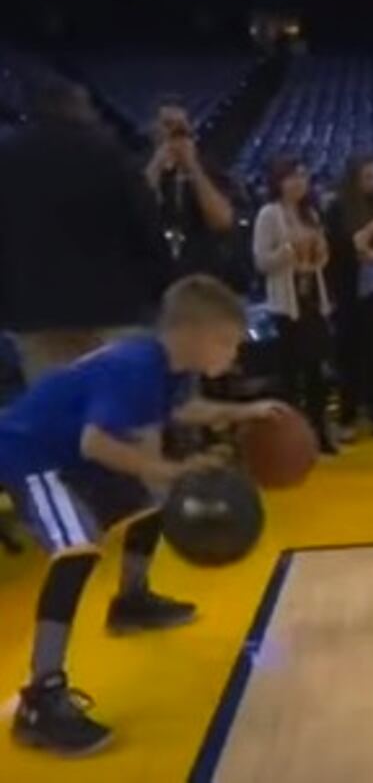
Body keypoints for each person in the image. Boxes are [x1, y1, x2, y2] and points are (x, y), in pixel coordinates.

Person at [4, 275, 284, 755]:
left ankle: (132, 602)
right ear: (195, 334)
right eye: (229, 341)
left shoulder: (166, 365)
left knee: (154, 499)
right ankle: (41, 699)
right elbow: (97, 442)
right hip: (29, 453)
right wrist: (170, 469)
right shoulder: (135, 367)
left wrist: (246, 411)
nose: (234, 354)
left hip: (67, 451)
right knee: (77, 548)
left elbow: (187, 409)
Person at [0, 76, 169, 383]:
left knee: (54, 411)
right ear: (78, 107)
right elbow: (145, 225)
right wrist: (159, 288)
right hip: (112, 307)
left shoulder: (8, 155)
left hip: (35, 311)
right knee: (115, 414)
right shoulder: (111, 153)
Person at [252, 157, 336, 453]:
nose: (299, 183)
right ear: (279, 182)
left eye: (303, 177)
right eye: (292, 177)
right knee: (292, 372)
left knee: (317, 370)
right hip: (287, 303)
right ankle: (291, 437)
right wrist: (291, 249)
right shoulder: (268, 214)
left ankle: (319, 430)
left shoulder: (310, 212)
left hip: (313, 295)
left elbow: (322, 257)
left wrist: (319, 252)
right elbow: (261, 261)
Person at [326, 154, 373, 443]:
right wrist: (371, 231)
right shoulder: (338, 209)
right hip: (351, 293)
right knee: (351, 359)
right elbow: (339, 248)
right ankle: (347, 418)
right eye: (368, 177)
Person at [143, 95, 235, 284]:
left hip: (199, 274)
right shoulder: (140, 166)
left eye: (182, 126)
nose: (176, 134)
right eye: (168, 125)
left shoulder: (208, 168)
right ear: (153, 130)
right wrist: (158, 164)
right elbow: (133, 207)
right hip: (150, 275)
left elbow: (222, 221)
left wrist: (192, 167)